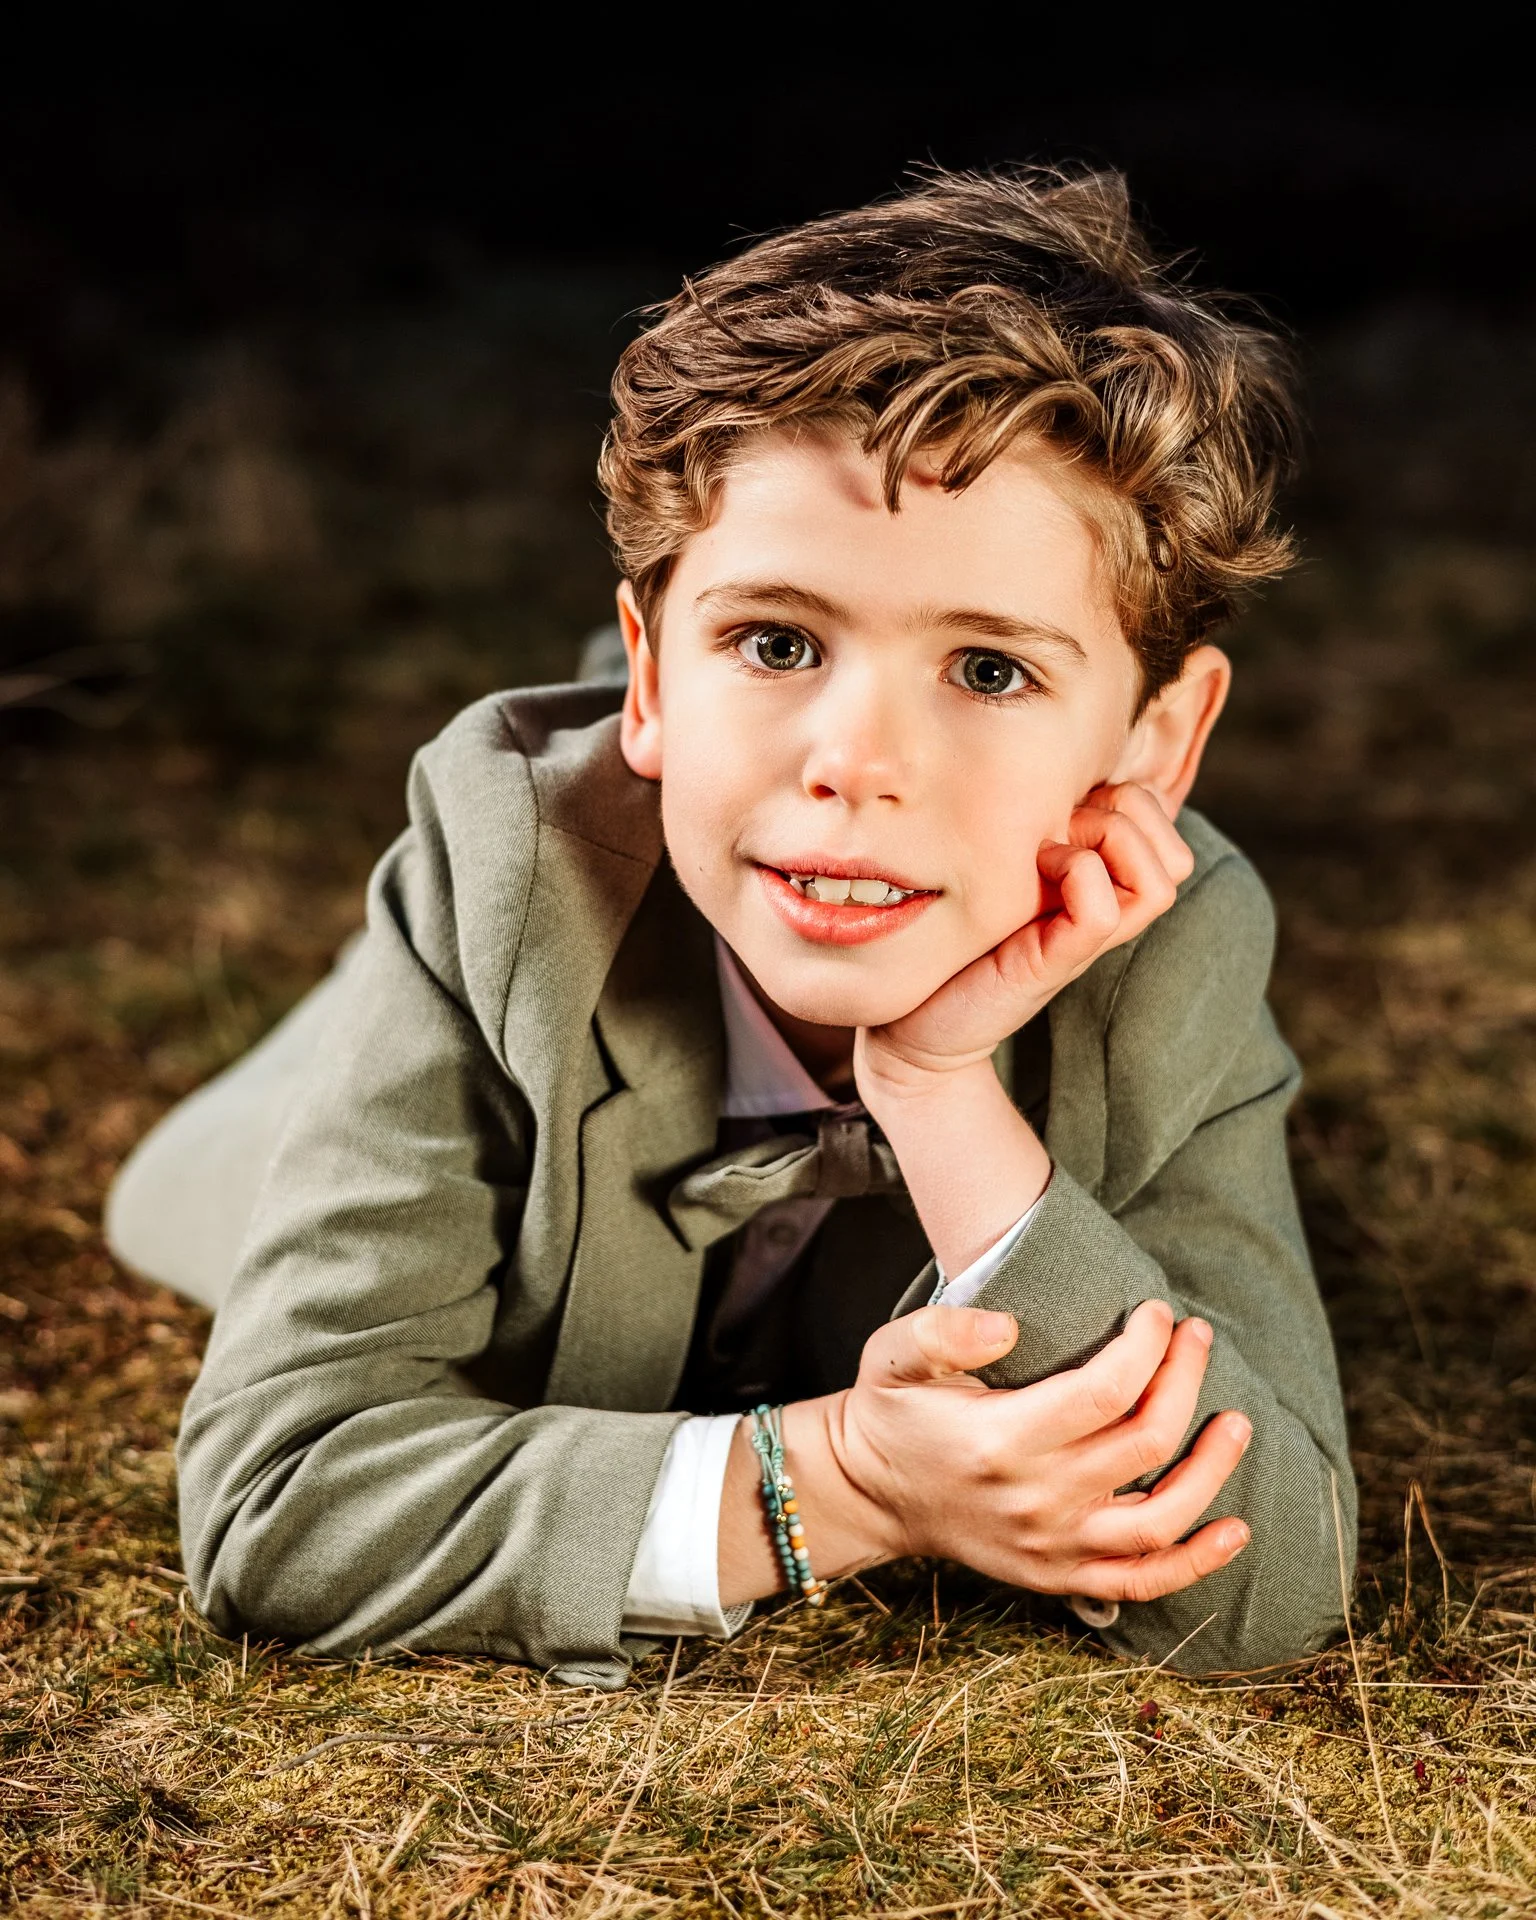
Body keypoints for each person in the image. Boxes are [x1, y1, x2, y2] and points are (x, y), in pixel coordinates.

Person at [107, 167, 1354, 1687]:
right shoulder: (507, 883)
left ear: (1158, 741)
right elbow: (280, 1501)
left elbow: (1271, 1584)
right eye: (777, 640)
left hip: (727, 862)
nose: (857, 760)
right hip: (565, 909)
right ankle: (396, 971)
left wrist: (947, 1096)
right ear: (648, 672)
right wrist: (839, 1481)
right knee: (177, 1204)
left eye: (989, 672)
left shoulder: (1173, 952)